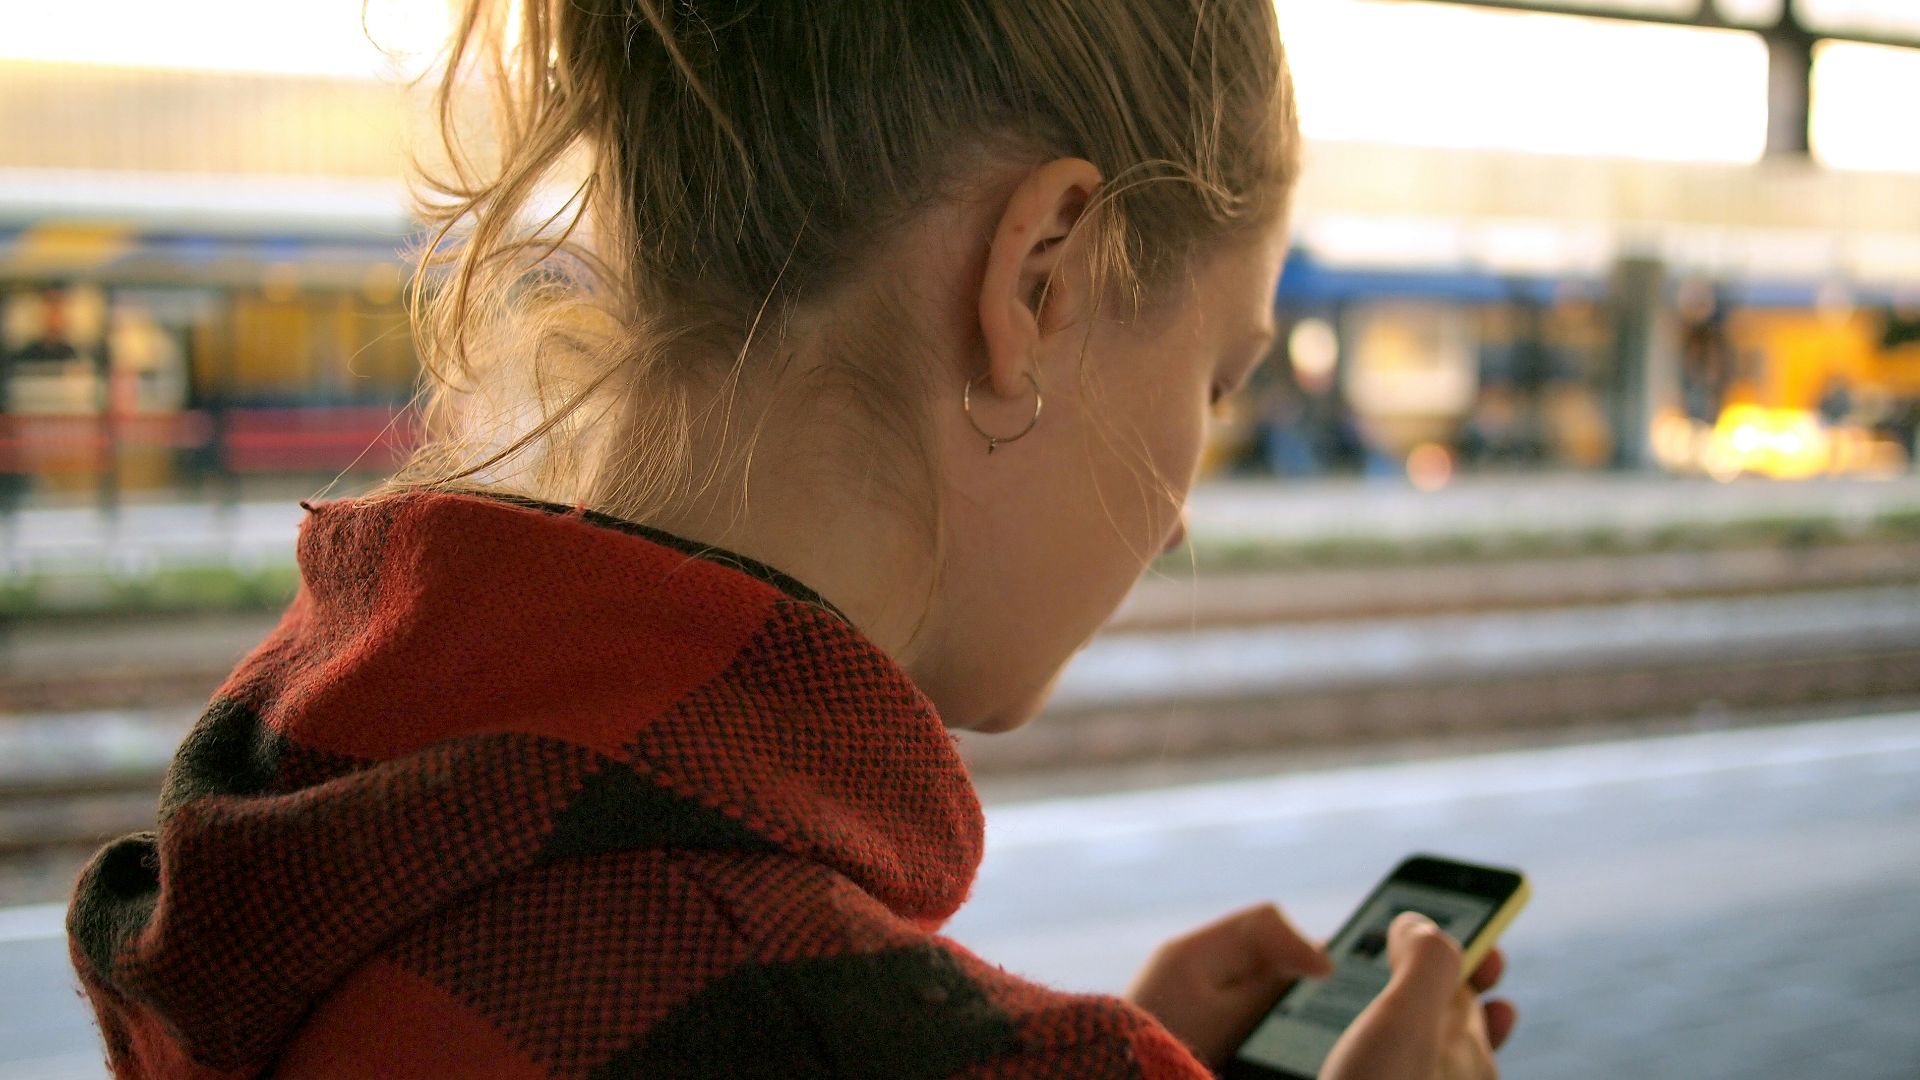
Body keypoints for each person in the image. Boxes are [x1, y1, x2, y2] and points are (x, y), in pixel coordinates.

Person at [65, 2, 1515, 1077]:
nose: (1183, 502)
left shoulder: (314, 840)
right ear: (1042, 279)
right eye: (1218, 380)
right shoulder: (820, 1011)